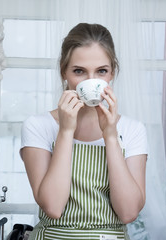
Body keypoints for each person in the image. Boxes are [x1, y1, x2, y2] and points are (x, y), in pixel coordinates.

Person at [20, 23, 147, 240]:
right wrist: (66, 131)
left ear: (112, 74)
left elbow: (128, 213)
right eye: (79, 71)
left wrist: (110, 136)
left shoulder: (132, 130)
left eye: (101, 71)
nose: (91, 82)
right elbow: (53, 206)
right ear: (64, 73)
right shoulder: (38, 126)